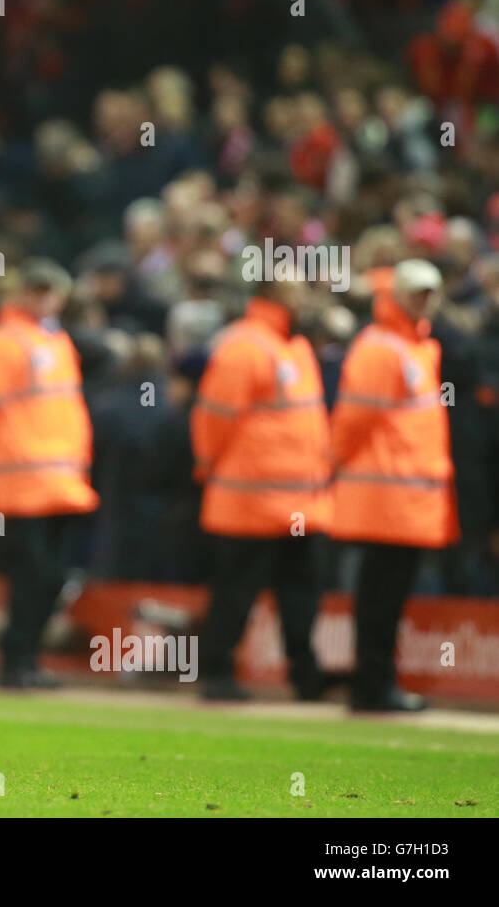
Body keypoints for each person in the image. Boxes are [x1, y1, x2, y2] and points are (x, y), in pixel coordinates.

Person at [191, 278, 333, 701]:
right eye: (297, 290)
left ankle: (305, 674)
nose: (306, 297)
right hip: (249, 499)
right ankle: (216, 672)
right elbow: (213, 419)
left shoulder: (296, 347)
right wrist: (209, 468)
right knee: (236, 594)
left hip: (299, 502)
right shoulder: (244, 347)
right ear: (272, 294)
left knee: (300, 594)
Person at [0, 259, 100, 689]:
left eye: (50, 292)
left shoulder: (55, 342)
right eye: (38, 290)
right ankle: (16, 661)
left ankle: (27, 658)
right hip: (21, 481)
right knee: (32, 575)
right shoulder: (2, 343)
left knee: (51, 577)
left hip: (62, 481)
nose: (45, 299)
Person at [330, 259, 457, 712]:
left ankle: (376, 682)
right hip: (386, 492)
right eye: (417, 292)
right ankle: (371, 684)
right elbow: (354, 418)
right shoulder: (383, 346)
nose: (424, 300)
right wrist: (337, 461)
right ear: (397, 293)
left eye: (429, 292)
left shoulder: (417, 346)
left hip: (409, 495)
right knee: (380, 594)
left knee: (388, 594)